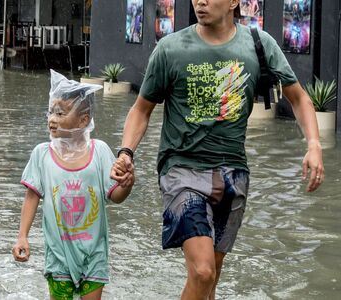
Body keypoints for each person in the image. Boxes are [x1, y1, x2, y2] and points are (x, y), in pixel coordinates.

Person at [110, 1, 324, 299]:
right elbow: (141, 109)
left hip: (233, 174)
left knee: (210, 280)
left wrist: (313, 144)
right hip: (181, 170)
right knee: (202, 271)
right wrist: (125, 152)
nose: (200, 1)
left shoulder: (259, 44)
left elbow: (298, 97)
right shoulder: (171, 48)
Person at [12, 70, 134, 300]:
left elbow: (114, 196)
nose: (52, 119)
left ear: (83, 120)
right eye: (50, 111)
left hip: (94, 254)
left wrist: (127, 183)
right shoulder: (42, 154)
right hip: (58, 255)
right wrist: (22, 236)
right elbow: (32, 197)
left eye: (60, 113)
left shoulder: (99, 152)